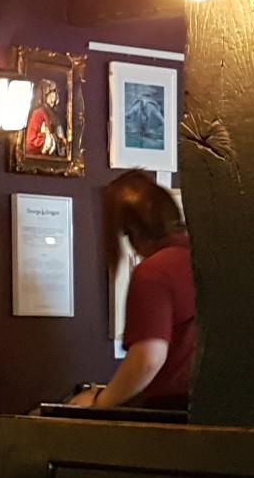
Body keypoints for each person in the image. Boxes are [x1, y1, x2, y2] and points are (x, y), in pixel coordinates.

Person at [70, 171, 194, 411]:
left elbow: (148, 359)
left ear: (131, 231)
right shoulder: (208, 260)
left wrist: (100, 402)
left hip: (174, 412)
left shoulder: (155, 271)